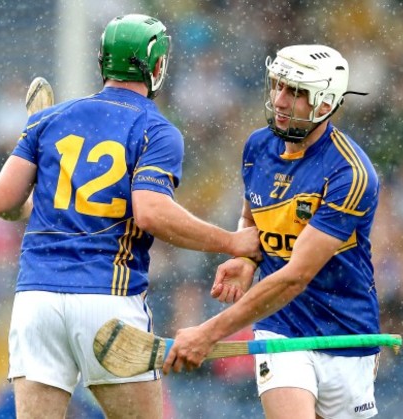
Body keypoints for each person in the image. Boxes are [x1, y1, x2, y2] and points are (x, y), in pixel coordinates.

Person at [0, 14, 259, 419]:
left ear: (103, 61)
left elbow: (1, 201)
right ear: (157, 67)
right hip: (106, 299)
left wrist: (33, 208)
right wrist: (232, 241)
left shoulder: (48, 119)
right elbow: (150, 212)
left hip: (36, 300)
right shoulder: (156, 129)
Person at [163, 44, 382, 419]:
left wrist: (208, 333)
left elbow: (295, 276)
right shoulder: (257, 147)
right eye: (277, 85)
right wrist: (247, 257)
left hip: (346, 330)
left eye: (295, 93)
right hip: (281, 327)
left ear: (325, 104)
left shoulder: (351, 174)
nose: (279, 100)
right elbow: (252, 218)